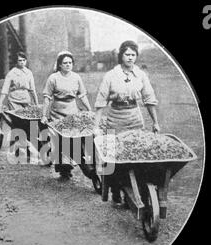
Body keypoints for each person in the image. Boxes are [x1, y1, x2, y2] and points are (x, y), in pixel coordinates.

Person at [94, 40, 160, 204]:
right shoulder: (111, 75)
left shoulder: (141, 75)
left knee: (136, 155)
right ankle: (116, 190)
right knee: (114, 157)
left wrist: (155, 122)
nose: (130, 58)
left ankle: (137, 191)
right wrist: (96, 126)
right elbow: (101, 102)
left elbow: (149, 99)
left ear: (136, 56)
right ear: (121, 56)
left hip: (135, 119)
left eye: (133, 55)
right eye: (127, 54)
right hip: (116, 118)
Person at [41, 51, 92, 179]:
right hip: (57, 113)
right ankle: (64, 169)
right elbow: (47, 98)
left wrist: (89, 109)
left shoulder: (76, 77)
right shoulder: (53, 78)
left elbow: (82, 95)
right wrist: (44, 115)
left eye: (70, 63)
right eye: (65, 63)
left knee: (75, 139)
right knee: (59, 141)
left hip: (72, 111)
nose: (68, 65)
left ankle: (76, 162)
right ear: (59, 65)